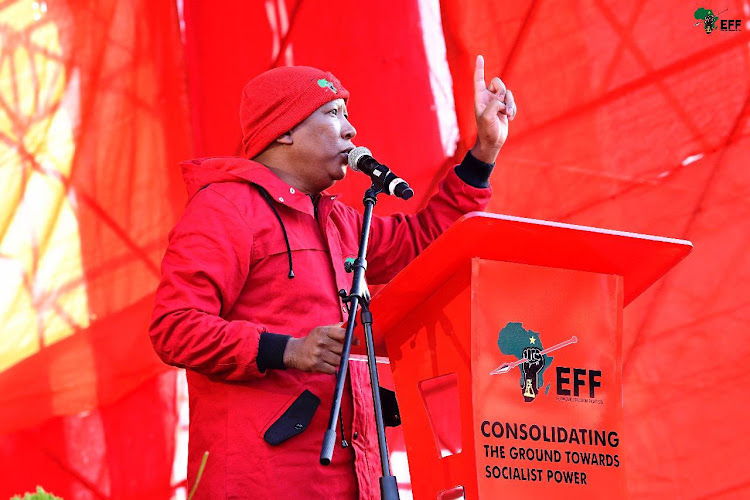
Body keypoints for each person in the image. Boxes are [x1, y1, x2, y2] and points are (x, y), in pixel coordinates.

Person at [149, 55, 516, 499]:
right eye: (333, 112)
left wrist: (484, 154)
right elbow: (175, 326)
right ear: (283, 130)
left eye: (346, 113)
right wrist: (286, 350)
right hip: (264, 480)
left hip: (354, 477)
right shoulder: (225, 208)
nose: (351, 129)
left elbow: (425, 242)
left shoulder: (340, 220)